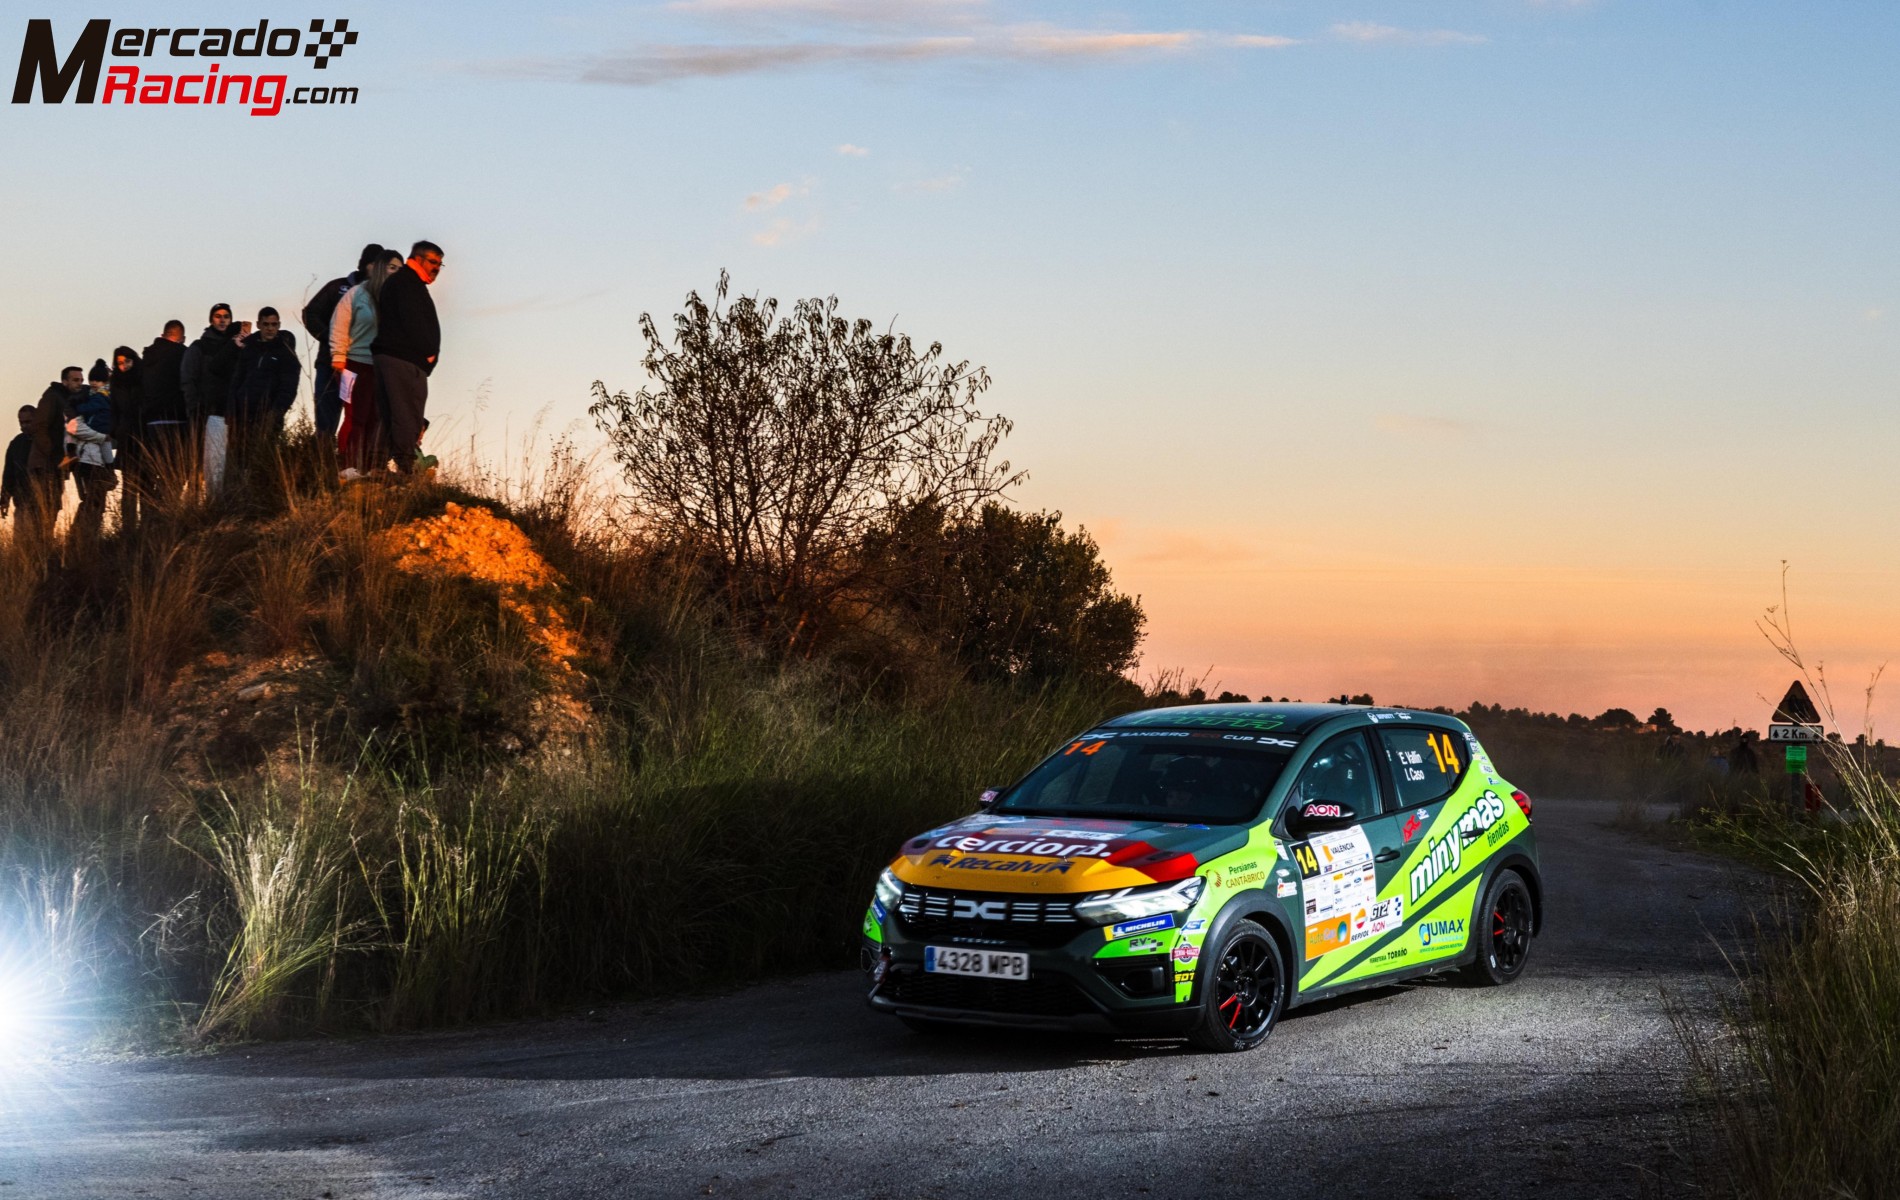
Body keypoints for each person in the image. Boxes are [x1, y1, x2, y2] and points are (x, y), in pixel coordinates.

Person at [371, 241, 443, 477]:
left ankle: (379, 466)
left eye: (440, 264)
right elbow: (412, 320)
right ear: (418, 258)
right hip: (405, 359)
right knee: (406, 412)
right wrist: (427, 352)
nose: (437, 268)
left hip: (395, 357)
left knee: (391, 412)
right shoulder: (407, 283)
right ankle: (407, 467)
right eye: (433, 262)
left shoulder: (405, 283)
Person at [302, 243, 383, 450]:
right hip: (330, 363)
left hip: (363, 365)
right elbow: (310, 312)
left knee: (358, 416)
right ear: (366, 264)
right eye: (374, 264)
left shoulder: (381, 294)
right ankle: (323, 461)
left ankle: (350, 462)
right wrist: (329, 338)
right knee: (326, 415)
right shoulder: (337, 287)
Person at [331, 248, 403, 480]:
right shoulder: (356, 294)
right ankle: (348, 465)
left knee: (377, 417)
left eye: (400, 269)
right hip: (355, 362)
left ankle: (372, 466)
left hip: (383, 366)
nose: (396, 273)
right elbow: (339, 325)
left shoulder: (398, 299)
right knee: (355, 416)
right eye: (392, 267)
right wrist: (338, 358)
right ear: (381, 268)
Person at [227, 307, 300, 485]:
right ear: (259, 324)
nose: (270, 328)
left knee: (263, 462)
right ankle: (235, 502)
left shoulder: (285, 353)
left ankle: (260, 501)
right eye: (266, 324)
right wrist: (231, 409)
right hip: (242, 415)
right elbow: (237, 380)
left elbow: (288, 389)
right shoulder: (249, 349)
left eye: (274, 324)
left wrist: (275, 414)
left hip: (268, 416)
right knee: (237, 462)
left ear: (279, 325)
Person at [27, 366, 83, 561]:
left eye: (80, 380)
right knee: (45, 508)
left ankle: (43, 549)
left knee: (52, 507)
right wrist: (52, 453)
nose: (79, 383)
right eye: (75, 380)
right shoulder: (52, 397)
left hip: (54, 465)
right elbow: (38, 426)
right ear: (65, 381)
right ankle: (39, 551)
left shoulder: (66, 400)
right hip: (45, 464)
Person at [140, 320, 191, 516]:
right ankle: (166, 511)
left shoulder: (147, 357)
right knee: (177, 472)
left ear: (162, 335)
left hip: (152, 421)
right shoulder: (182, 354)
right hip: (176, 419)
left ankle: (150, 514)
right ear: (182, 338)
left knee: (157, 470)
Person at [65, 360, 117, 547]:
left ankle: (83, 540)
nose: (90, 384)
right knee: (93, 501)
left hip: (91, 458)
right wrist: (101, 438)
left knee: (94, 501)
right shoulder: (99, 399)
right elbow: (75, 428)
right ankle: (81, 539)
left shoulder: (93, 399)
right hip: (89, 459)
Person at [109, 345, 144, 534]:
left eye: (127, 361)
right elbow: (113, 409)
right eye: (120, 363)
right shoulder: (115, 382)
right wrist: (116, 430)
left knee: (146, 482)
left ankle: (148, 523)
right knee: (129, 484)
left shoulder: (142, 377)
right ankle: (128, 527)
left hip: (144, 434)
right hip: (126, 437)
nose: (124, 366)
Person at [2, 405, 36, 535]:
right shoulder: (16, 443)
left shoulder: (45, 441)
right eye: (21, 422)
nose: (24, 426)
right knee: (21, 542)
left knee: (42, 545)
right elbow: (8, 475)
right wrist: (4, 499)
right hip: (21, 503)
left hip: (43, 503)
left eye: (28, 422)